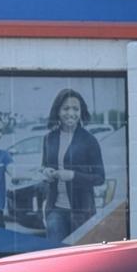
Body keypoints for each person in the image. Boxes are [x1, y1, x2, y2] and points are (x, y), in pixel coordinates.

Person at [40, 88, 105, 244]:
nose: (71, 113)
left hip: (82, 212)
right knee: (56, 258)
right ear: (58, 111)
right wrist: (45, 172)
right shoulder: (49, 138)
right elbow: (43, 165)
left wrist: (73, 175)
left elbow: (100, 178)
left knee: (81, 261)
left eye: (76, 109)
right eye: (66, 108)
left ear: (81, 112)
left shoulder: (89, 140)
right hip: (55, 210)